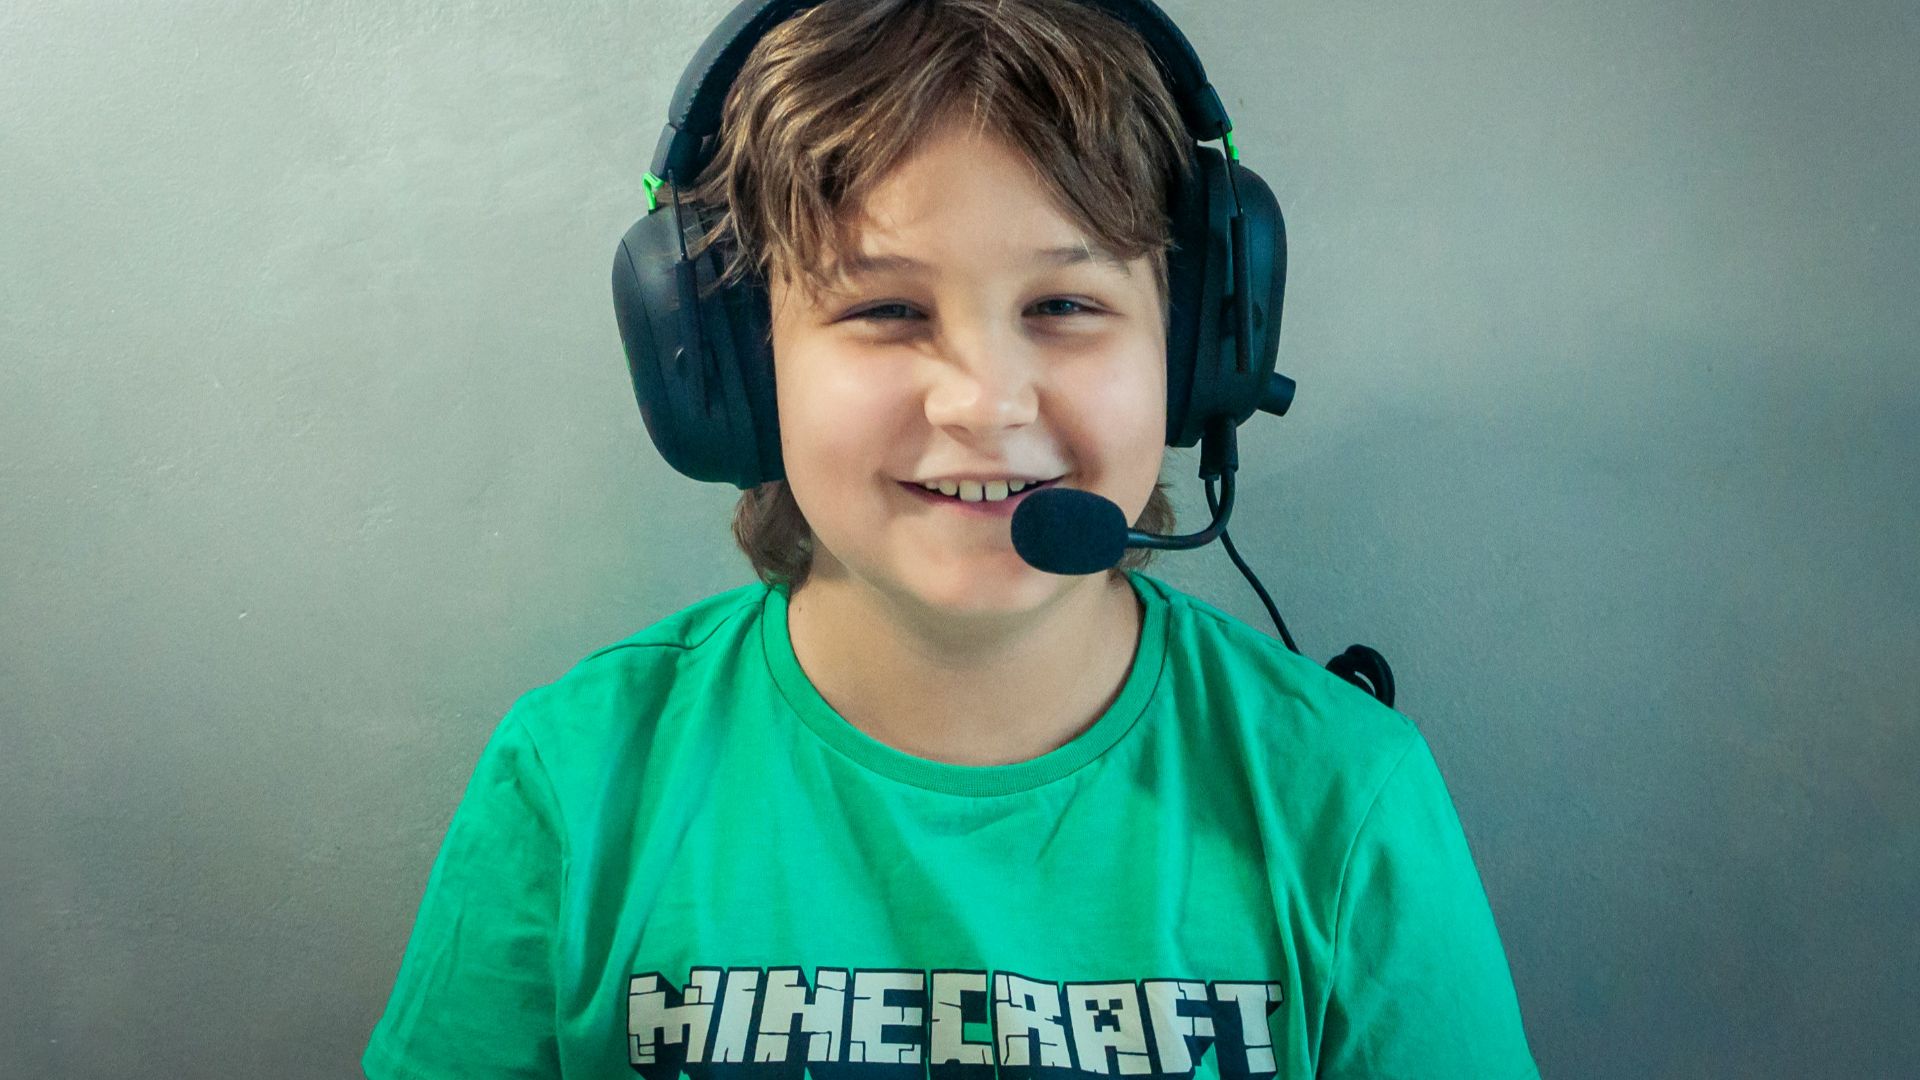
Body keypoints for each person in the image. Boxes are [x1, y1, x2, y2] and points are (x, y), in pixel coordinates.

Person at [361, 1, 1539, 1077]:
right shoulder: (575, 781)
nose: (985, 403)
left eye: (1065, 305)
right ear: (733, 372)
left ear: (1194, 360)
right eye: (886, 309)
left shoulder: (1344, 798)